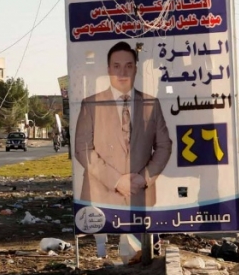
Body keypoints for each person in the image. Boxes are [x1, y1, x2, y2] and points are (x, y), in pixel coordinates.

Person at [74, 41, 172, 207]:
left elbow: (164, 146)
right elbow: (82, 149)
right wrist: (116, 181)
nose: (122, 72)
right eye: (116, 66)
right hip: (99, 199)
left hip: (141, 197)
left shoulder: (151, 104)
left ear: (135, 69)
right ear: (108, 70)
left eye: (128, 66)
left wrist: (144, 178)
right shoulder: (91, 105)